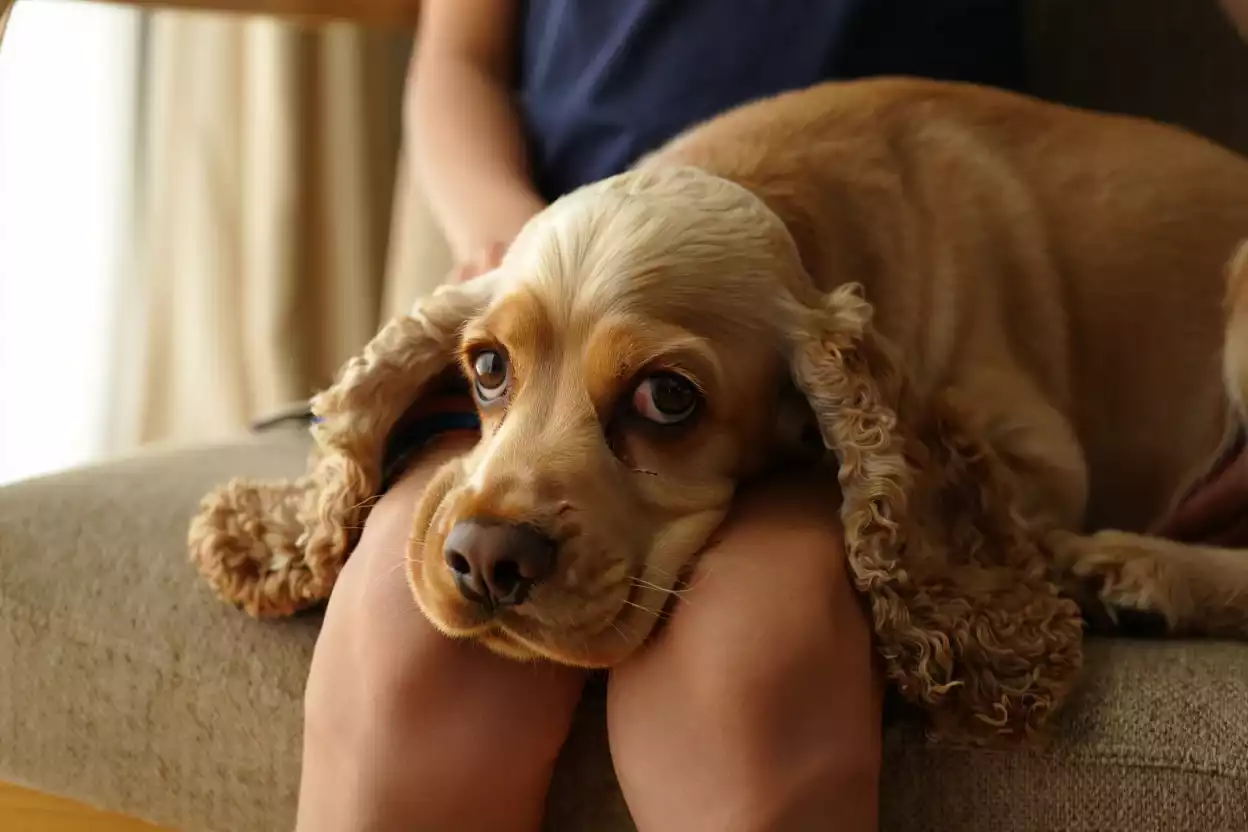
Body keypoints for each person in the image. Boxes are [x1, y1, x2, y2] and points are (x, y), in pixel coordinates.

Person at [296, 2, 1027, 830]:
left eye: (662, 401)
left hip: (844, 296)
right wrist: (506, 249)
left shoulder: (835, 360)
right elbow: (460, 59)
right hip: (545, 271)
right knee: (403, 647)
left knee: (749, 665)